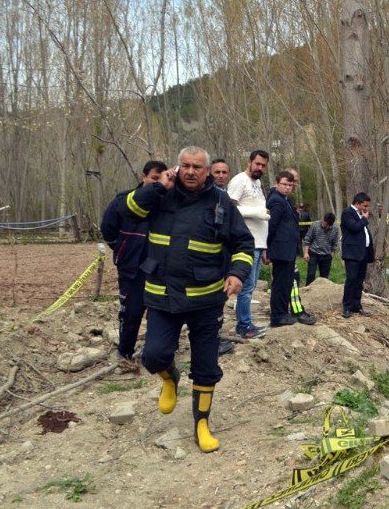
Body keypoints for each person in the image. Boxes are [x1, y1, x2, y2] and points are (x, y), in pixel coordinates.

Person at [122, 146, 254, 453]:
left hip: (206, 300)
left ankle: (201, 424)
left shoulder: (221, 201)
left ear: (208, 171)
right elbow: (129, 211)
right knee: (153, 355)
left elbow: (243, 243)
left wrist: (237, 273)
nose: (191, 171)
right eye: (185, 166)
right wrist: (157, 186)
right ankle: (170, 378)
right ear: (176, 167)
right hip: (162, 296)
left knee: (206, 366)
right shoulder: (160, 194)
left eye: (197, 167)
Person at [100, 159, 167, 372]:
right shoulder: (124, 200)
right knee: (130, 312)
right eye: (154, 179)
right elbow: (108, 229)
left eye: (161, 179)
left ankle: (155, 352)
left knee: (159, 310)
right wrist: (122, 250)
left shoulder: (166, 204)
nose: (157, 183)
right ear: (144, 177)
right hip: (132, 268)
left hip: (159, 269)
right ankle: (125, 351)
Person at [226, 150, 270, 339]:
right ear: (249, 162)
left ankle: (247, 322)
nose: (260, 168)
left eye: (263, 165)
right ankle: (243, 326)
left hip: (259, 242)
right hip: (246, 243)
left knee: (251, 286)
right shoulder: (239, 180)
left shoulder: (258, 183)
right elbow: (229, 207)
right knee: (245, 286)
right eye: (257, 164)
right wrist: (256, 212)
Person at [266, 171, 303, 326]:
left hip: (287, 250)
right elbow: (271, 226)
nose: (288, 188)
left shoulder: (284, 199)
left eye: (290, 185)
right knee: (280, 284)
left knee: (287, 283)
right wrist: (266, 248)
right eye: (284, 184)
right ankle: (277, 316)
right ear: (277, 183)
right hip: (280, 250)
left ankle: (283, 312)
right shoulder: (276, 200)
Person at [283, 167, 316, 325]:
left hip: (289, 247)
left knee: (290, 279)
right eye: (292, 181)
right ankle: (297, 310)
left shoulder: (287, 200)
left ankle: (285, 310)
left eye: (295, 182)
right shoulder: (278, 199)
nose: (294, 185)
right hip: (283, 249)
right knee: (293, 279)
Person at [341, 192, 374, 318]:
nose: (366, 208)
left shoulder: (360, 215)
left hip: (363, 253)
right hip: (352, 253)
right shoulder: (347, 213)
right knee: (351, 279)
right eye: (364, 206)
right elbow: (354, 228)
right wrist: (364, 219)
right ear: (357, 203)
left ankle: (357, 305)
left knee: (360, 280)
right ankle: (347, 307)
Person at [303, 212, 339, 285]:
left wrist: (332, 253)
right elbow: (308, 238)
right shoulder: (315, 225)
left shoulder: (335, 229)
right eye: (325, 224)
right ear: (323, 220)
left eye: (328, 225)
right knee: (311, 274)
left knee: (324, 278)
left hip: (326, 255)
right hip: (314, 253)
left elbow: (335, 243)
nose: (326, 227)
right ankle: (308, 290)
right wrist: (306, 252)